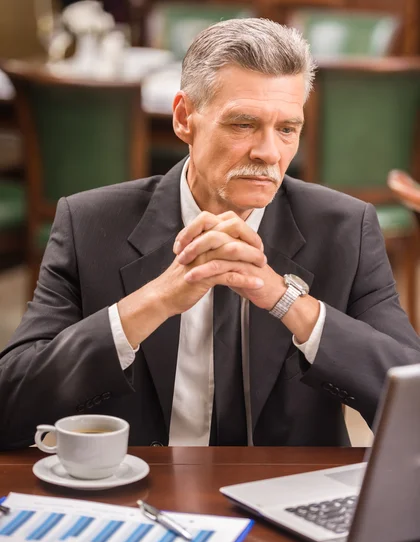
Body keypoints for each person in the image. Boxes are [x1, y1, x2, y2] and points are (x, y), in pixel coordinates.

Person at [0, 19, 419, 450]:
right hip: (138, 493)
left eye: (287, 129)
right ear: (185, 118)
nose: (269, 153)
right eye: (243, 124)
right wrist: (154, 300)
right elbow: (9, 409)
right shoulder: (88, 223)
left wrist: (285, 300)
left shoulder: (345, 229)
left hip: (284, 498)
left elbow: (413, 403)